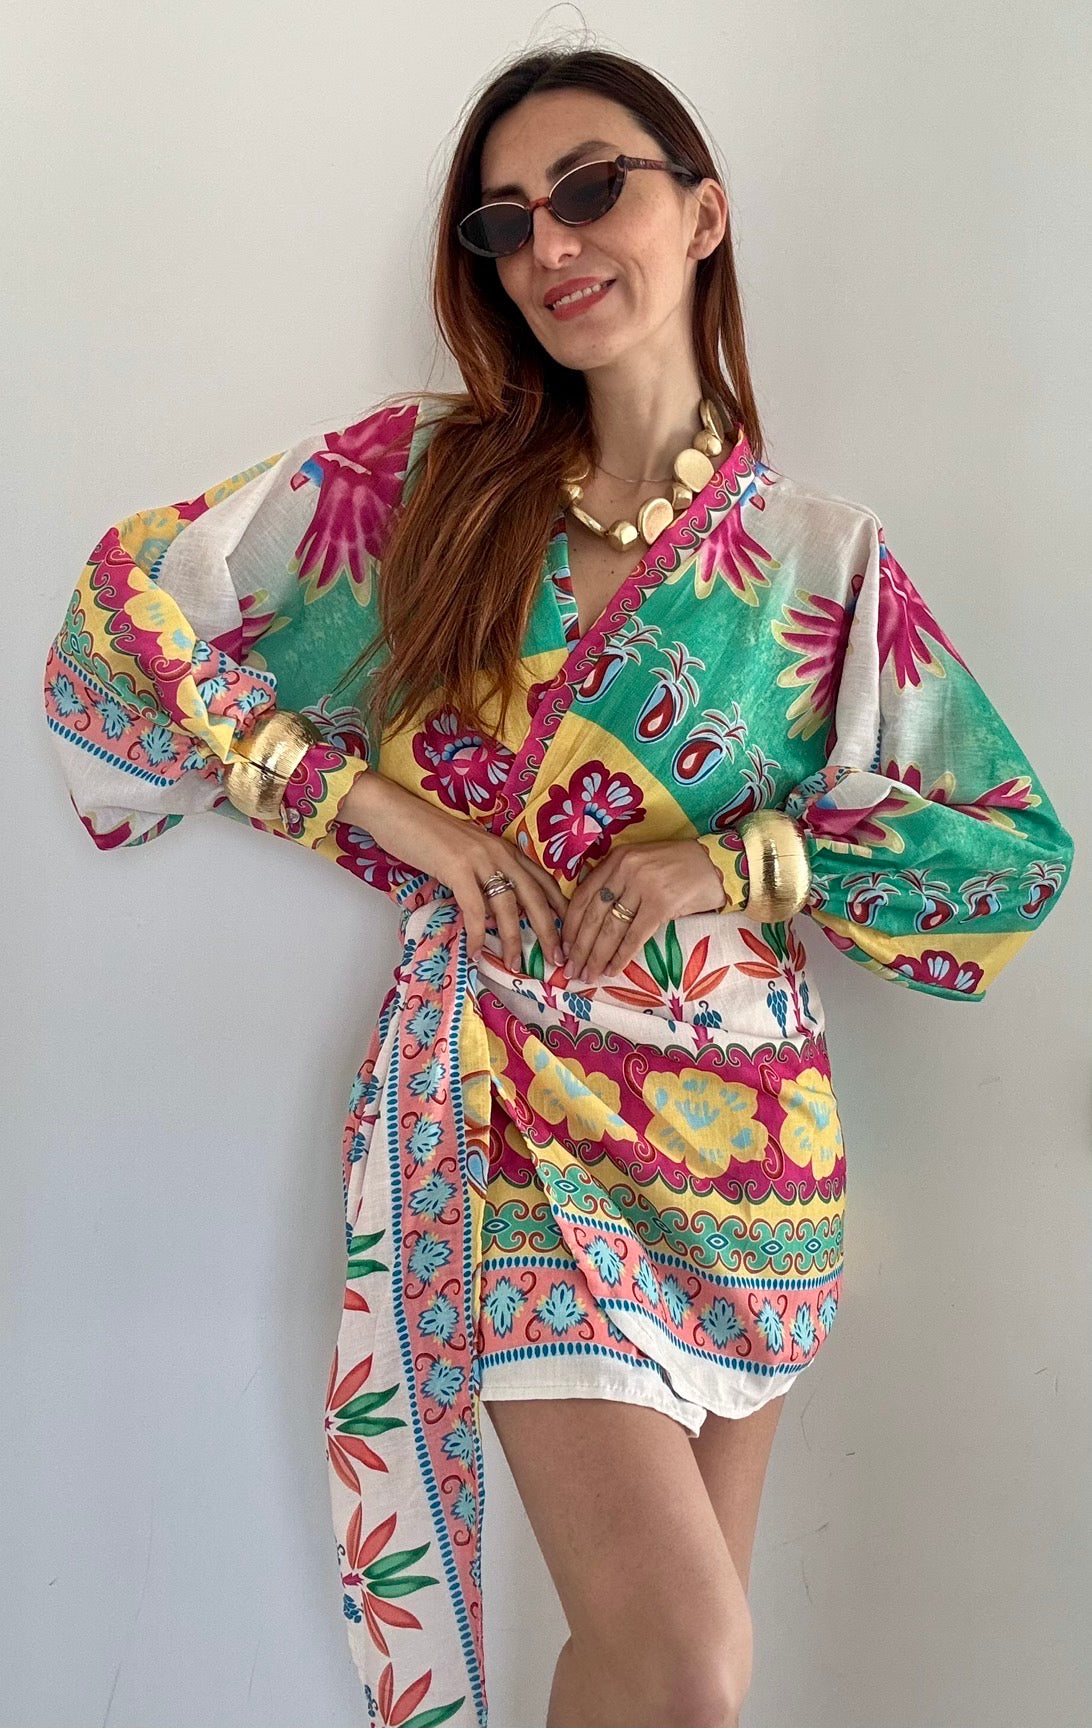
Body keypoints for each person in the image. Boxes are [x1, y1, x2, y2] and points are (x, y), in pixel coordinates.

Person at [42, 42, 1074, 1728]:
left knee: (657, 1683)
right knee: (689, 1662)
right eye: (505, 221)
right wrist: (402, 820)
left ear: (705, 215)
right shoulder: (425, 489)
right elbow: (126, 621)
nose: (551, 243)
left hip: (751, 1152)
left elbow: (1011, 856)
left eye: (592, 187)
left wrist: (734, 860)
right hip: (507, 1114)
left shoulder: (820, 557)